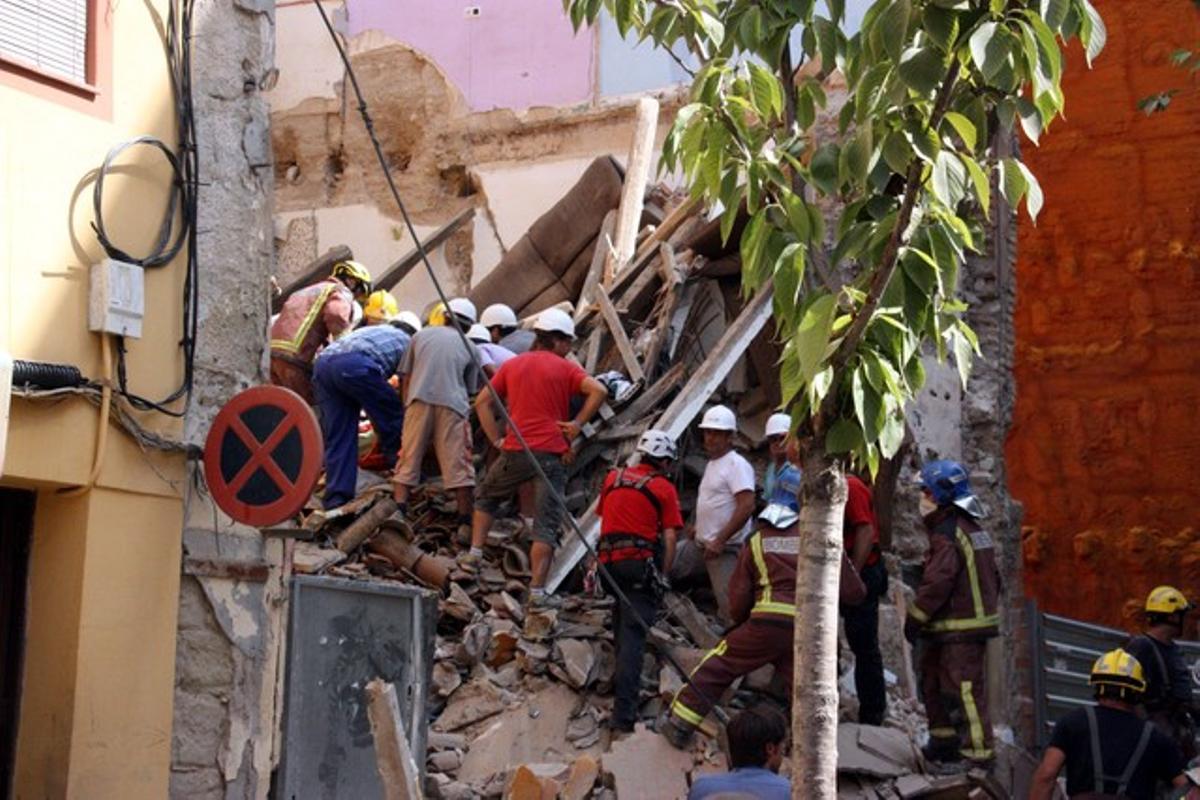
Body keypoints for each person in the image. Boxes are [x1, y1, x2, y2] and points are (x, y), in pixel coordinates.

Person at [663, 500, 866, 746]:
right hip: (812, 629)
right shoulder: (821, 536)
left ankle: (679, 726)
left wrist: (742, 623)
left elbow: (737, 601)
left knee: (718, 666)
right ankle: (809, 749)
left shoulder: (757, 541)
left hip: (766, 624)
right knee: (808, 692)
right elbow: (854, 592)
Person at [462, 308, 607, 610]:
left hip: (516, 449)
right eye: (568, 343)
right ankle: (538, 592)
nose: (570, 349)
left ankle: (474, 555)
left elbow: (483, 403)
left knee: (486, 497)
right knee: (546, 524)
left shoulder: (514, 365)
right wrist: (578, 423)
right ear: (557, 340)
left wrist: (495, 440)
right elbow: (599, 390)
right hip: (552, 454)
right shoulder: (565, 369)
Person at [904, 460, 1001, 765]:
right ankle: (944, 743)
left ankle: (978, 753)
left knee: (965, 690)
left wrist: (914, 618)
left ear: (942, 495)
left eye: (927, 492)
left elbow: (938, 582)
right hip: (955, 626)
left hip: (960, 627)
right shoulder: (971, 528)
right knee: (933, 683)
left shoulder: (948, 533)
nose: (923, 498)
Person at [597, 429, 683, 732]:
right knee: (634, 637)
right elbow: (671, 537)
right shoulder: (662, 488)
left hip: (607, 565)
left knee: (622, 624)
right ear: (664, 461)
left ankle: (620, 694)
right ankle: (624, 717)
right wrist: (664, 574)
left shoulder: (613, 479)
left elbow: (604, 518)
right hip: (638, 566)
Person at [1030, 648, 1187, 800]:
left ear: (1097, 685)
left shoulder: (1072, 723)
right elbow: (1184, 788)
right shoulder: (1155, 737)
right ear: (1137, 692)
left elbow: (1047, 776)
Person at [392, 297, 481, 538]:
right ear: (470, 326)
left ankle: (399, 510)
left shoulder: (421, 336)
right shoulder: (471, 348)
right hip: (453, 406)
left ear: (445, 316)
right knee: (459, 464)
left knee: (408, 456)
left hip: (418, 400)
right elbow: (470, 390)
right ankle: (464, 521)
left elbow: (405, 376)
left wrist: (407, 405)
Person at [311, 320, 410, 509]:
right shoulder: (409, 342)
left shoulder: (373, 332)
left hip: (323, 365)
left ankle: (337, 498)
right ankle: (402, 472)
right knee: (394, 415)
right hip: (354, 365)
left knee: (339, 435)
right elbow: (407, 390)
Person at [670, 405, 755, 624]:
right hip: (702, 544)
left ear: (730, 436)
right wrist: (699, 526)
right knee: (668, 565)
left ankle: (733, 646)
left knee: (732, 610)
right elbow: (716, 502)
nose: (710, 438)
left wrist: (720, 540)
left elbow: (746, 506)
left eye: (717, 433)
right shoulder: (713, 464)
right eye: (708, 432)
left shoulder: (737, 465)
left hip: (724, 549)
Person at [269, 259, 372, 403]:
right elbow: (336, 316)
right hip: (296, 357)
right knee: (308, 407)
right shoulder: (340, 291)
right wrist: (343, 348)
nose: (357, 297)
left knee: (279, 406)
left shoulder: (307, 290)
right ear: (352, 282)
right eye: (361, 292)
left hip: (272, 353)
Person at [1125, 585, 1197, 759]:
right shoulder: (1142, 647)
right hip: (1157, 739)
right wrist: (1149, 731)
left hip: (1177, 735)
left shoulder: (1173, 649)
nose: (1185, 621)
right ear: (1172, 616)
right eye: (1182, 615)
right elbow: (1129, 694)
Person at [842, 470, 889, 726]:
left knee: (863, 644)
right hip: (845, 567)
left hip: (862, 569)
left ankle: (872, 713)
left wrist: (854, 574)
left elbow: (865, 530)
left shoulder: (852, 487)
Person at [687, 705, 791, 800]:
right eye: (783, 746)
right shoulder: (791, 793)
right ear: (770, 749)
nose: (783, 752)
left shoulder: (701, 788)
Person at [761, 412, 794, 503]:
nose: (777, 442)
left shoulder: (798, 468)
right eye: (773, 439)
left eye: (782, 438)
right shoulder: (771, 469)